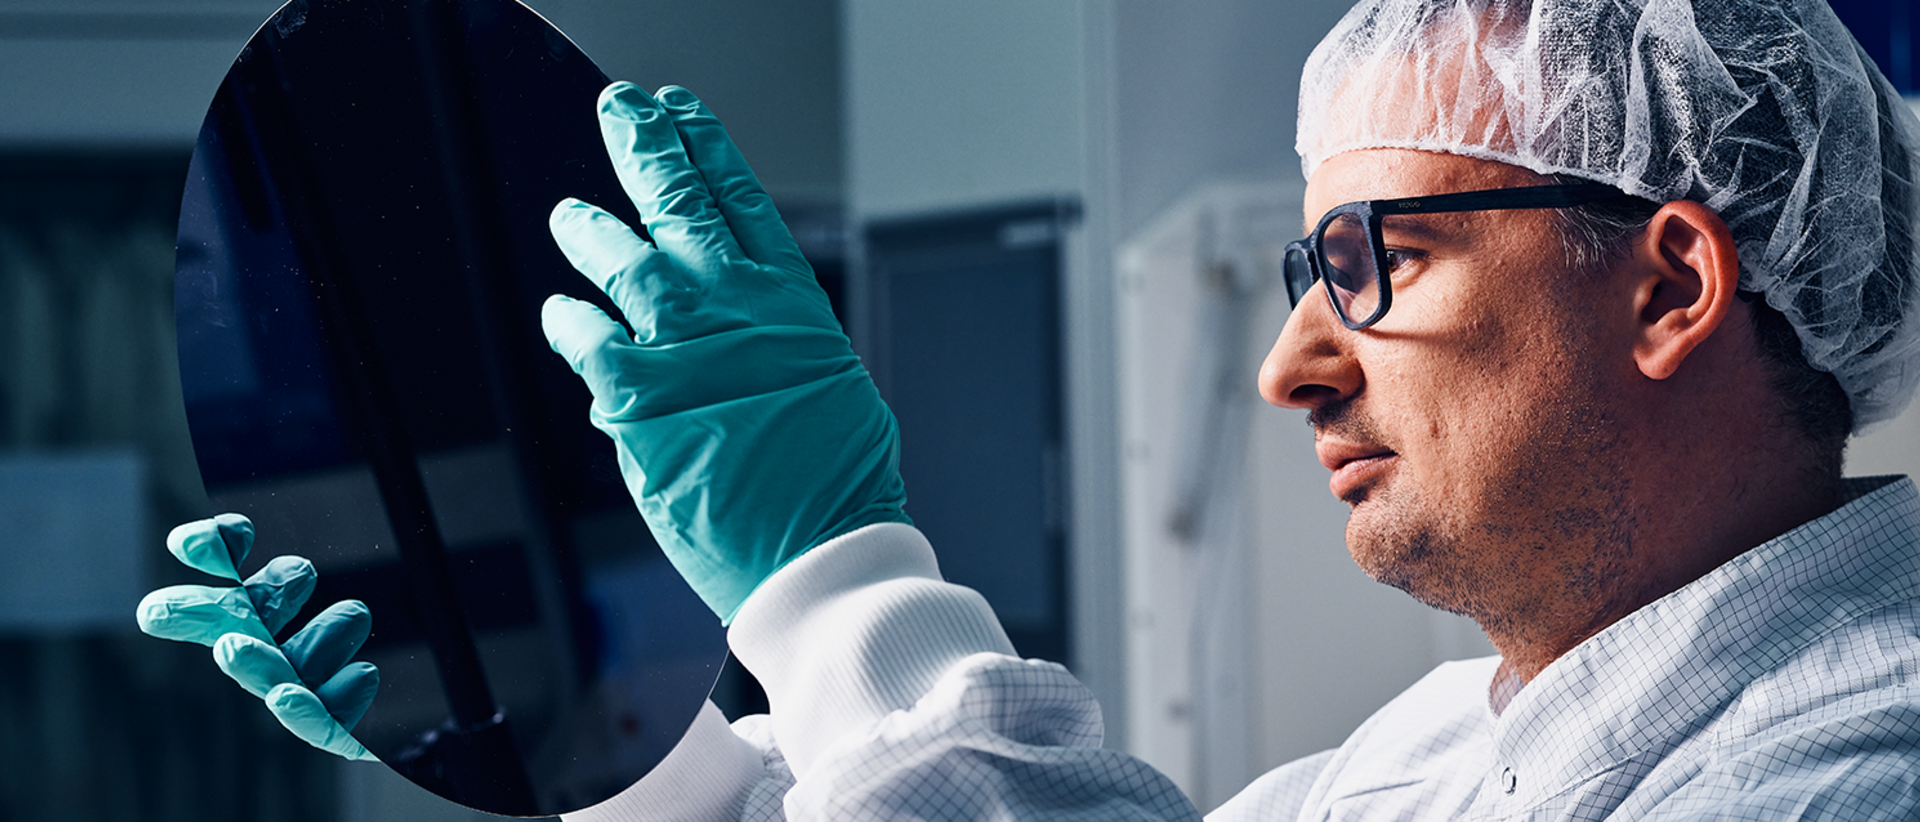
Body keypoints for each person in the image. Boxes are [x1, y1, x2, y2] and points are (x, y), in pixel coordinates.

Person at [140, 0, 1920, 817]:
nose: (1289, 363)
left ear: (1669, 288)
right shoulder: (1436, 752)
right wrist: (559, 752)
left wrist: (838, 578)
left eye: (1373, 260)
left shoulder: (1842, 772)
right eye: (1300, 270)